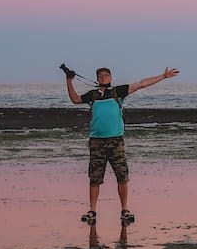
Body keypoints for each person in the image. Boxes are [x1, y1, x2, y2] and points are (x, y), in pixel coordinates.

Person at [65, 66, 179, 224]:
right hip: (97, 142)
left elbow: (141, 84)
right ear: (97, 79)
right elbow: (75, 99)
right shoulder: (93, 95)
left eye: (106, 75)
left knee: (122, 176)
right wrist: (68, 81)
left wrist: (163, 76)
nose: (103, 77)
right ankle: (92, 211)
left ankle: (125, 210)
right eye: (100, 76)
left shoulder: (118, 92)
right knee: (94, 178)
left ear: (111, 77)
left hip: (116, 141)